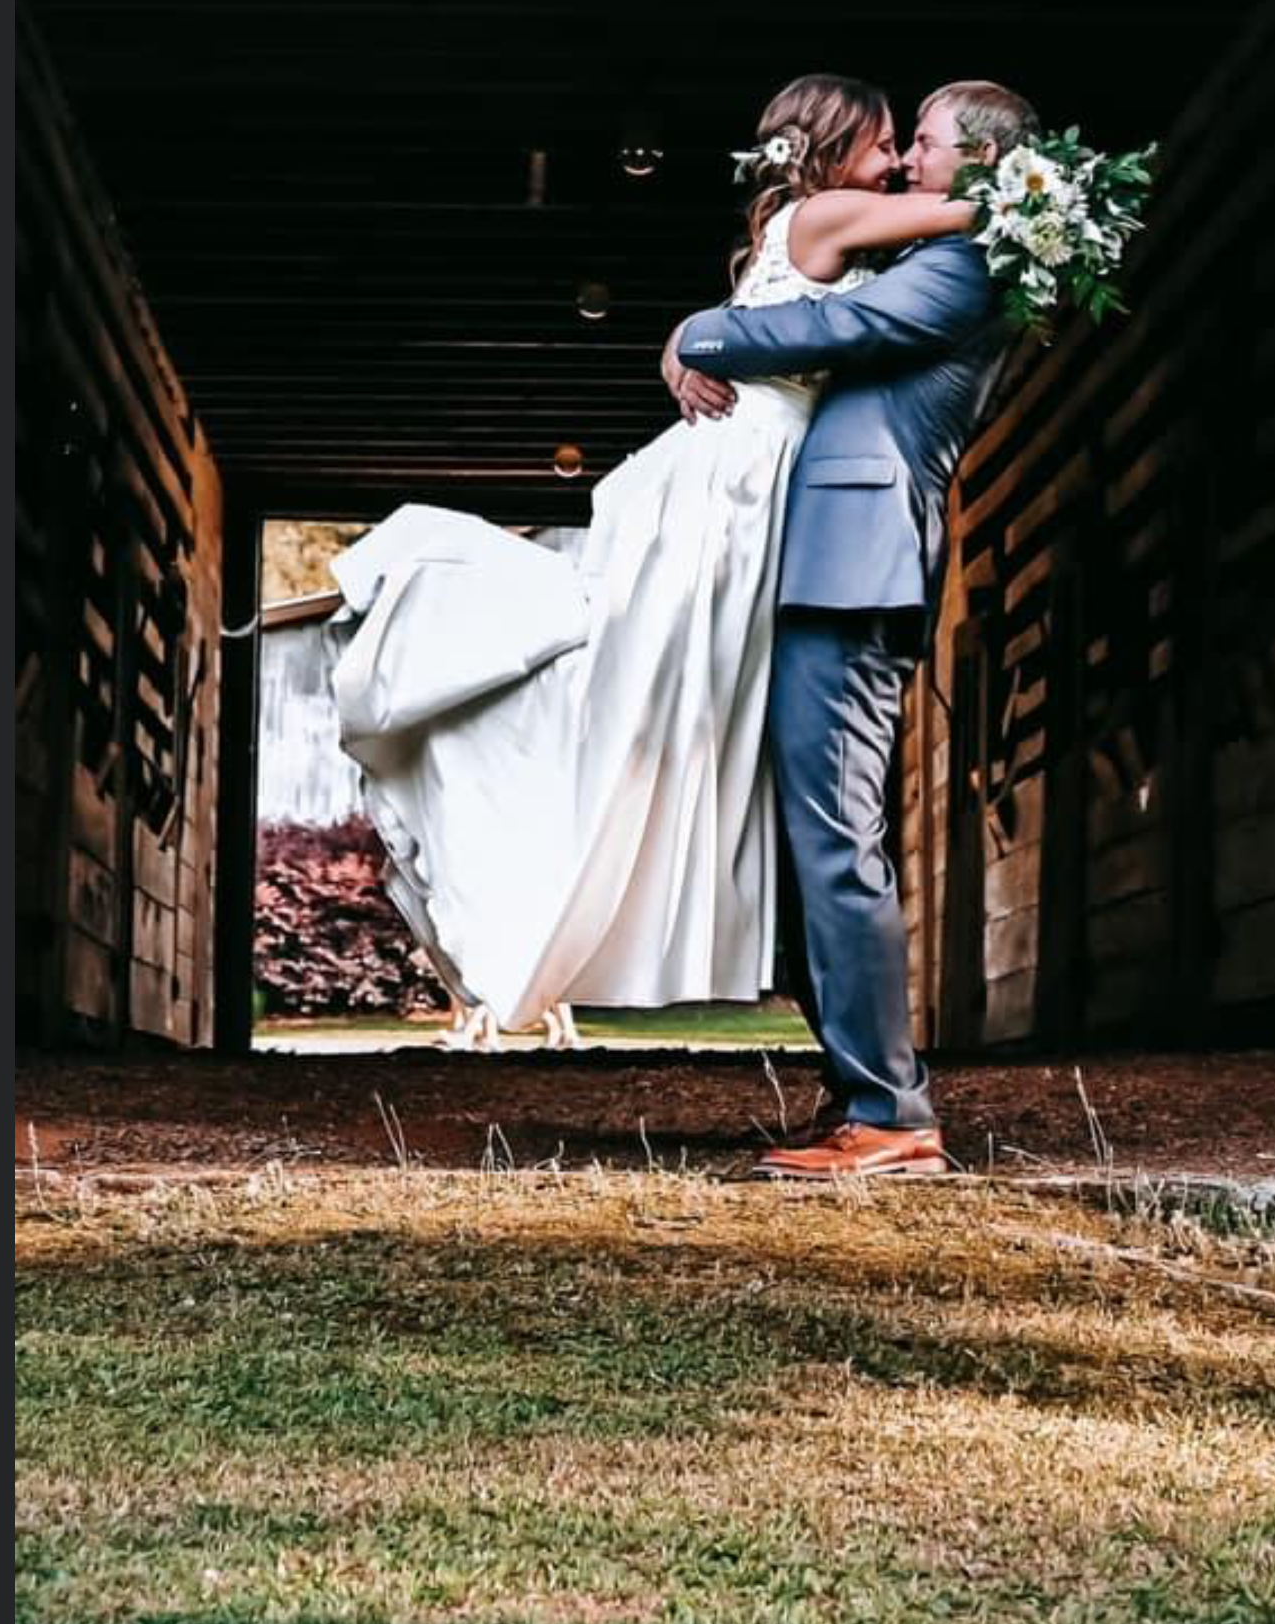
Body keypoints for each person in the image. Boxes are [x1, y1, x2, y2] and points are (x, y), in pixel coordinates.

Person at [326, 75, 978, 1040]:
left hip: (733, 470)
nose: (895, 163)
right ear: (839, 153)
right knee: (648, 690)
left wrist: (687, 338)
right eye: (887, 144)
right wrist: (1052, 193)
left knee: (651, 695)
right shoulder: (836, 210)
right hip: (741, 482)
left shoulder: (799, 221)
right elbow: (977, 211)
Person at [665, 79, 1040, 1178]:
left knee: (836, 838)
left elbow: (839, 325)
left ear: (978, 161)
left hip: (856, 568)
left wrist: (697, 329)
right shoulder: (930, 247)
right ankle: (858, 1095)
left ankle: (891, 1115)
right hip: (824, 565)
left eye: (923, 143)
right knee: (813, 837)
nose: (908, 160)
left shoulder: (967, 263)